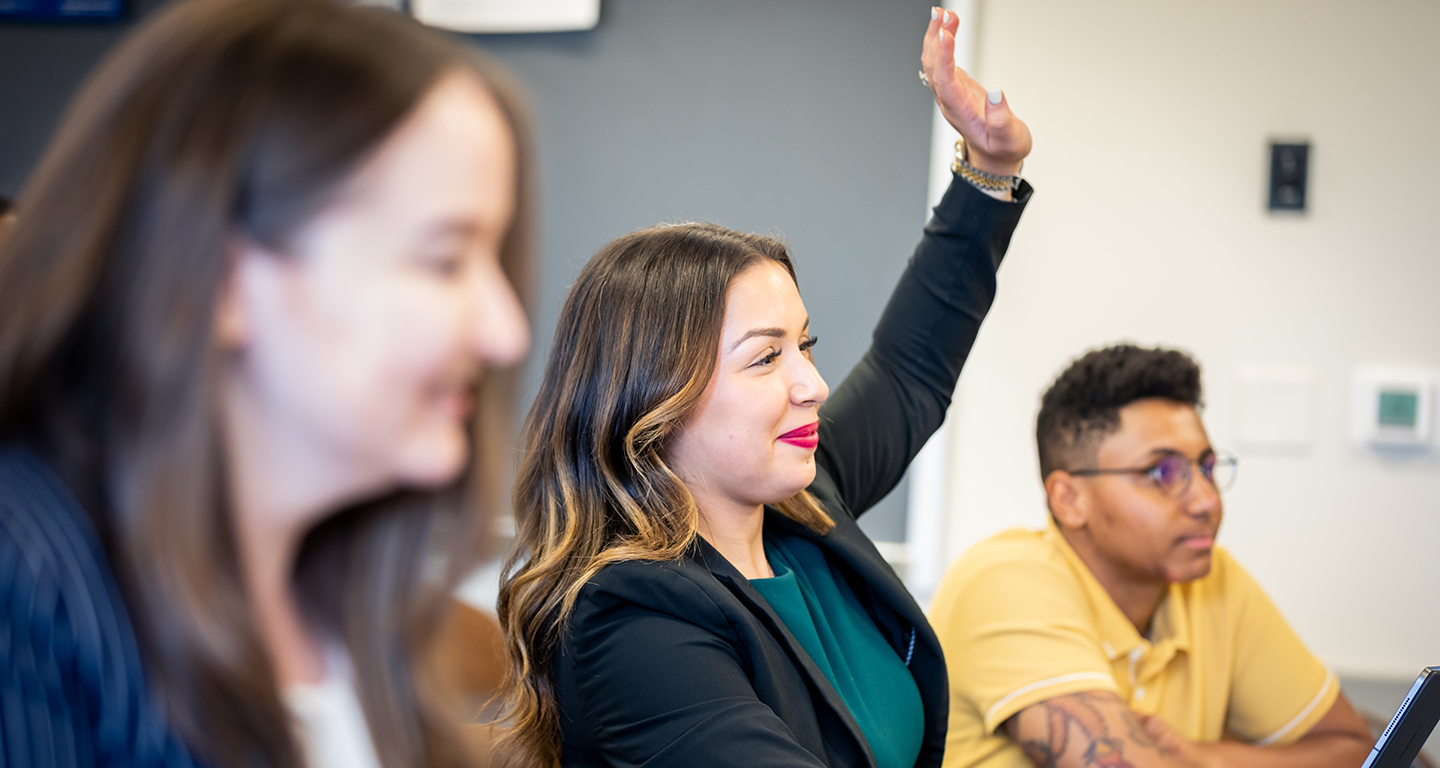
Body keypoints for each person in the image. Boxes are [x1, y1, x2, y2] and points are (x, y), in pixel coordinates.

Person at [0, 0, 532, 766]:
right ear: (222, 279)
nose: (505, 329)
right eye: (444, 259)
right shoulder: (28, 583)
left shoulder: (351, 594)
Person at [496, 9, 1031, 768]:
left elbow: (910, 369)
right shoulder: (632, 620)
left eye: (803, 347)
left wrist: (989, 168)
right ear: (656, 401)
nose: (810, 384)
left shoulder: (803, 508)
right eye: (764, 358)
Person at [929, 345, 1374, 768]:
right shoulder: (1004, 580)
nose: (1207, 501)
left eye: (1206, 467)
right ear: (1069, 499)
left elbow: (1358, 752)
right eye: (1163, 472)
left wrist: (1209, 758)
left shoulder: (1216, 579)